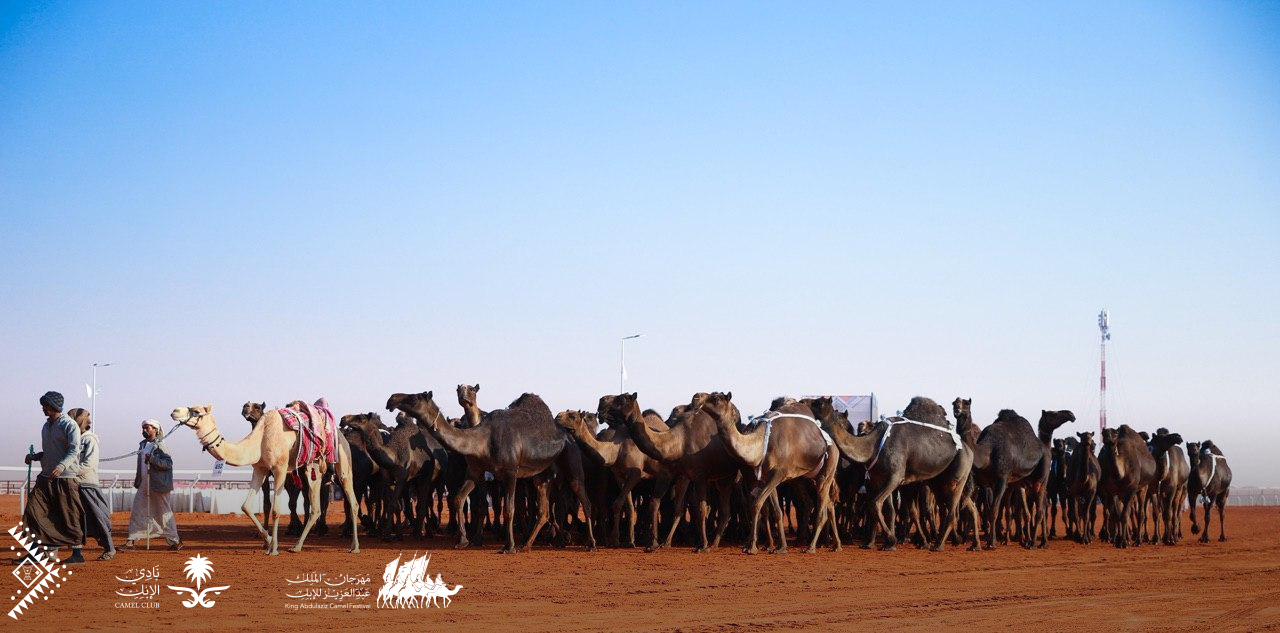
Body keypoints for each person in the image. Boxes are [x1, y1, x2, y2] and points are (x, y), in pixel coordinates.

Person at [17, 391, 86, 566]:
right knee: (33, 513)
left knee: (69, 514)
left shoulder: (69, 425)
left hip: (66, 477)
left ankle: (77, 554)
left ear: (54, 406)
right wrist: (35, 457)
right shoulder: (46, 426)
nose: (43, 408)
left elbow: (74, 450)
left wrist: (61, 466)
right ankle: (34, 554)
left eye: (46, 405)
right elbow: (49, 452)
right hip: (46, 477)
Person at [123, 419, 182, 550]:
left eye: (147, 428)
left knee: (163, 512)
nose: (144, 430)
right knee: (138, 509)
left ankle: (174, 541)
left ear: (155, 429)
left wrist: (152, 459)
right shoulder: (142, 445)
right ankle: (131, 540)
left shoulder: (160, 445)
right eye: (143, 428)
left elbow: (168, 464)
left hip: (158, 483)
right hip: (145, 482)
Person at [69, 408, 116, 560]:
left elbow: (89, 463)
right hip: (74, 485)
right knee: (74, 518)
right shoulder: (73, 440)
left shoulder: (90, 440)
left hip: (87, 484)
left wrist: (70, 472)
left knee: (98, 517)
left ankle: (109, 548)